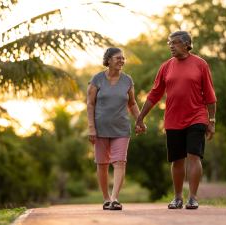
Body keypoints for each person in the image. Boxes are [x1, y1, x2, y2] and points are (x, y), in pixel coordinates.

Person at [135, 31, 217, 210]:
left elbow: (210, 95)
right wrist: (141, 117)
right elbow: (155, 93)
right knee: (177, 160)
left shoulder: (201, 64)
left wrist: (212, 120)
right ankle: (178, 197)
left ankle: (193, 198)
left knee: (193, 155)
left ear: (187, 44)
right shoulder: (166, 67)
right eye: (169, 43)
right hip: (173, 119)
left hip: (197, 117)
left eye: (175, 42)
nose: (171, 46)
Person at [87, 47, 142, 210]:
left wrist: (139, 121)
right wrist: (91, 128)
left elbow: (132, 103)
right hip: (100, 128)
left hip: (121, 129)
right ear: (108, 59)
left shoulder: (127, 80)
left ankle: (115, 198)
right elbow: (90, 103)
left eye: (123, 58)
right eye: (118, 58)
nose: (122, 61)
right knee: (102, 164)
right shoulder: (97, 79)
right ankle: (106, 198)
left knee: (119, 162)